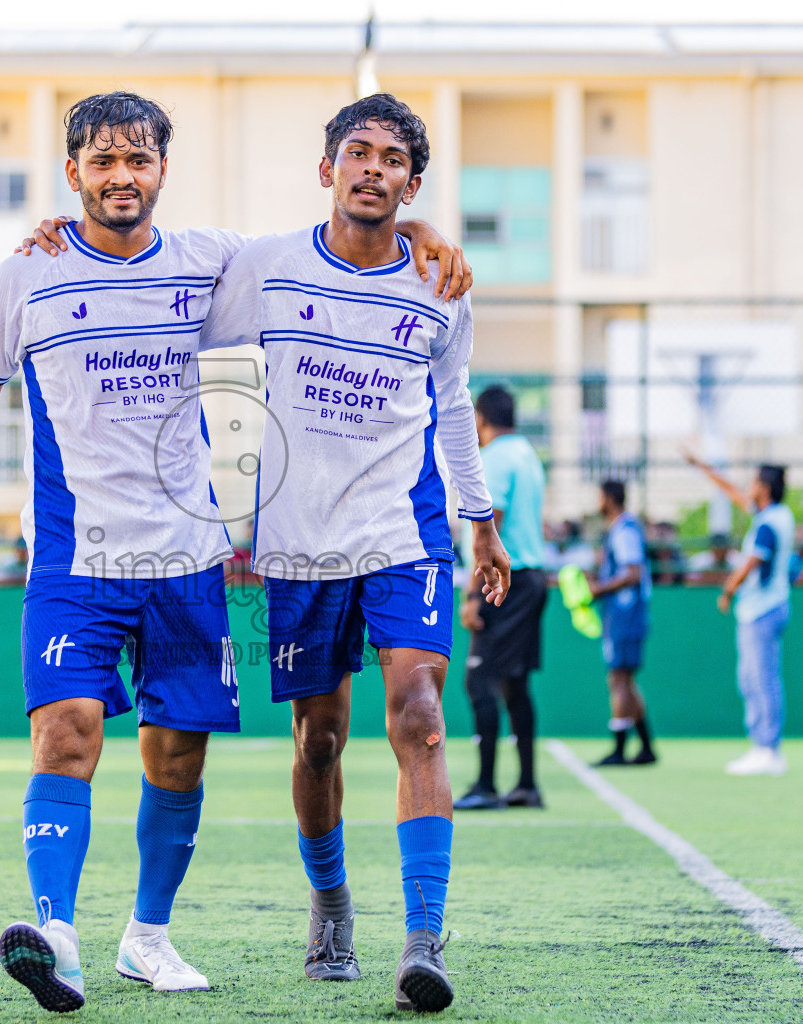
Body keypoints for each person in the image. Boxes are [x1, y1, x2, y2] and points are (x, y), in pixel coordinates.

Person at [0, 92, 466, 1013]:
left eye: (137, 160)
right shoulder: (28, 273)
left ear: (162, 171)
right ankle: (57, 935)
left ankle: (147, 937)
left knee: (177, 757)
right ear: (73, 173)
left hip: (184, 559)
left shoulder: (214, 260)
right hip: (74, 559)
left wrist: (417, 228)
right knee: (67, 731)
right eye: (103, 161)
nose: (121, 177)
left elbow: (332, 243)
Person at [200, 93, 508, 1014]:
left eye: (393, 159)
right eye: (358, 152)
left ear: (412, 182)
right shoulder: (267, 267)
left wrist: (481, 520)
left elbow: (452, 406)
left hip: (404, 533)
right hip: (298, 540)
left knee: (420, 715)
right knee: (320, 740)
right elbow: (197, 337)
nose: (373, 168)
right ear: (327, 167)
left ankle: (424, 938)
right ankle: (330, 906)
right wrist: (232, 515)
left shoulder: (442, 283)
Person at [453, 384, 547, 811]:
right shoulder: (527, 455)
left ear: (480, 418)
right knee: (514, 684)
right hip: (531, 579)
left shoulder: (493, 458)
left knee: (479, 680)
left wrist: (475, 592)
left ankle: (486, 785)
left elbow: (490, 522)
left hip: (505, 583)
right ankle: (526, 784)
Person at [683, 452, 794, 776]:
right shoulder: (774, 515)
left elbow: (751, 563)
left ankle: (768, 748)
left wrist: (728, 589)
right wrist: (702, 466)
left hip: (763, 609)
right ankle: (762, 745)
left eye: (755, 482)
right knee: (751, 678)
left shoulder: (769, 523)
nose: (749, 486)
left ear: (765, 487)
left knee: (762, 678)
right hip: (760, 609)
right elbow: (732, 491)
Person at [588, 480, 657, 766]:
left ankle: (619, 748)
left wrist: (599, 589)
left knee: (618, 677)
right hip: (622, 613)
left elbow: (632, 574)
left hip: (626, 613)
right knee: (625, 679)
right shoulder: (620, 529)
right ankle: (646, 746)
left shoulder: (624, 530)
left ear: (609, 498)